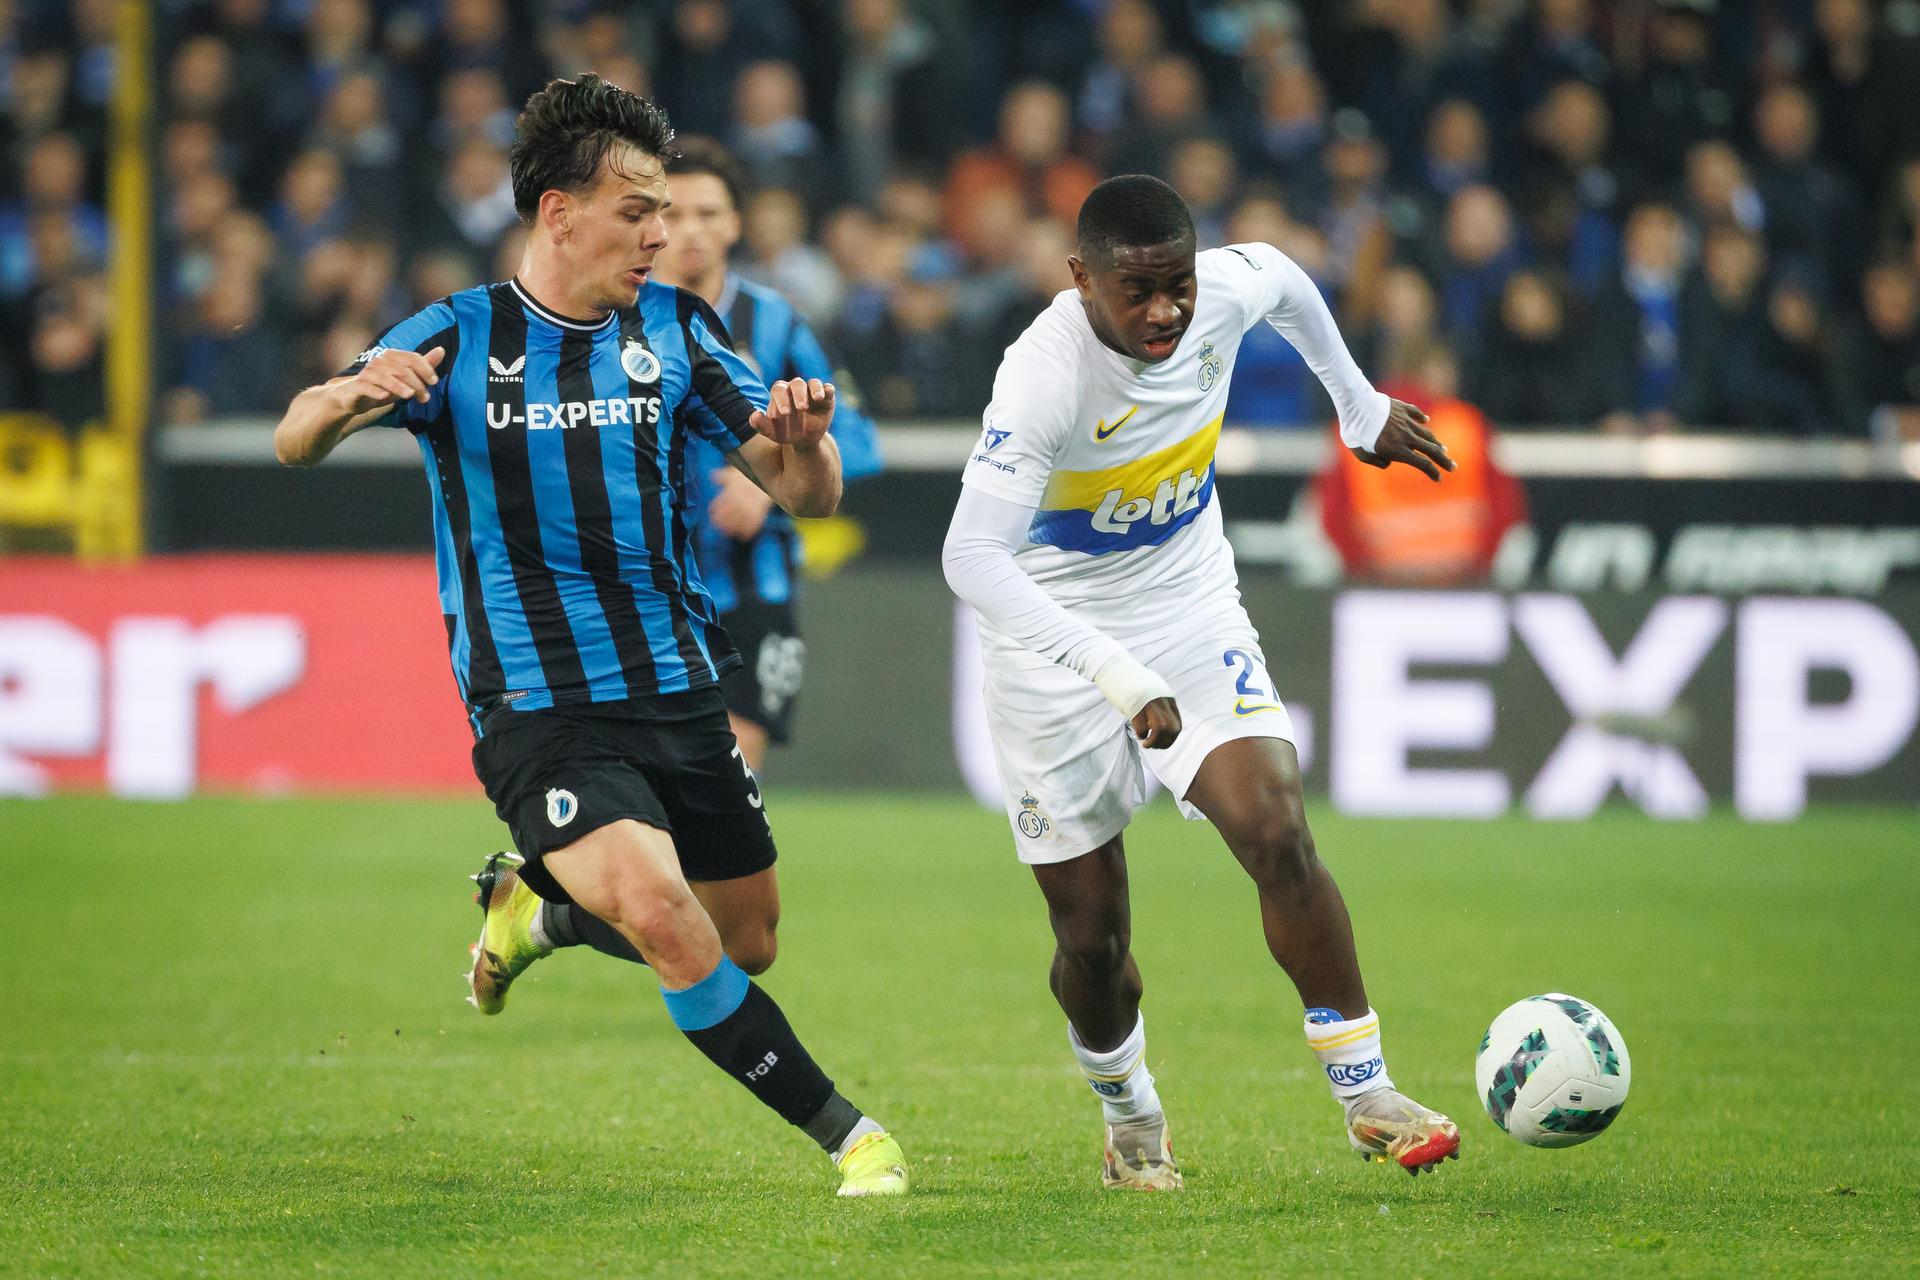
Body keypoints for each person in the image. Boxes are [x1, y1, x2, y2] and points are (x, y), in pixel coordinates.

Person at [270, 75, 906, 1198]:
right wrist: (344, 399)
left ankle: (539, 912)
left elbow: (806, 494)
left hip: (676, 679)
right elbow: (294, 437)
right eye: (637, 211)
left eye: (667, 211)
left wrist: (807, 443)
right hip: (538, 702)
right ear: (560, 214)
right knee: (663, 914)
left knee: (747, 936)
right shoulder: (455, 334)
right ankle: (854, 1138)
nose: (662, 235)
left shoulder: (678, 326)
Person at [941, 175, 1459, 1189]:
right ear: (1081, 277)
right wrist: (1111, 670)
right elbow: (972, 557)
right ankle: (1131, 1114)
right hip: (1054, 641)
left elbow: (1287, 279)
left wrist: (1358, 406)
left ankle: (1368, 1093)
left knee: (1275, 825)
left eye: (1176, 283)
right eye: (1136, 291)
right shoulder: (1043, 375)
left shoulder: (1222, 288)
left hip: (1184, 603)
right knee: (1092, 939)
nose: (1165, 310)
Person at [649, 138, 881, 772]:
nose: (690, 230)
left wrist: (767, 483)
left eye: (707, 213)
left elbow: (858, 437)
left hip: (754, 581)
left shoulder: (776, 321)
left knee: (732, 763)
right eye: (673, 212)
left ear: (735, 224)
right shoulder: (616, 321)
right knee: (658, 774)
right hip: (647, 580)